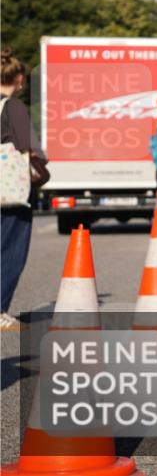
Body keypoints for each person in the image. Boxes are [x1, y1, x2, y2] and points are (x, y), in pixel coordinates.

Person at [1, 48, 48, 331]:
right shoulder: (13, 107)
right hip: (10, 193)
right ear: (19, 79)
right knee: (10, 251)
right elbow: (28, 147)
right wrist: (42, 171)